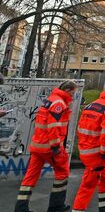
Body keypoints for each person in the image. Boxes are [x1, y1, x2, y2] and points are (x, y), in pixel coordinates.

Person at [14, 80, 77, 212]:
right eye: (73, 92)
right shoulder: (59, 104)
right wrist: (55, 147)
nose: (73, 95)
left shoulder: (50, 100)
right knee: (62, 172)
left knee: (30, 176)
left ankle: (21, 208)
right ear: (68, 90)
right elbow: (53, 126)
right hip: (49, 147)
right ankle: (56, 206)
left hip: (37, 146)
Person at [72, 82, 105, 212]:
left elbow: (81, 128)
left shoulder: (91, 105)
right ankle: (78, 209)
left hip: (86, 149)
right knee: (88, 186)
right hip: (97, 154)